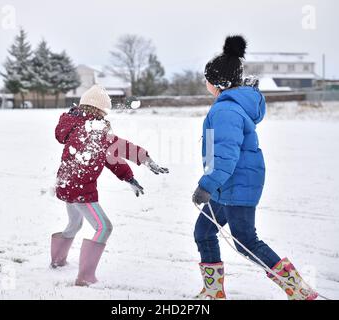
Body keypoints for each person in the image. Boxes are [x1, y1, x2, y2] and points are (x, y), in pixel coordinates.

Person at [192, 35, 318, 300]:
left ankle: (298, 289)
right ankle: (214, 292)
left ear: (218, 83)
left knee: (245, 241)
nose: (205, 83)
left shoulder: (226, 111)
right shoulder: (230, 106)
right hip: (227, 184)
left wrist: (206, 185)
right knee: (204, 231)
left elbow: (225, 157)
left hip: (235, 184)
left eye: (207, 79)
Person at [51, 85, 168, 286]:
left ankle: (57, 261)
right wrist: (147, 159)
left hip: (66, 184)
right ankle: (85, 277)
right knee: (104, 227)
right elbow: (120, 147)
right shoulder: (95, 130)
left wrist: (128, 177)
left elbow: (109, 156)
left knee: (74, 224)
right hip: (80, 190)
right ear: (100, 109)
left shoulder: (78, 124)